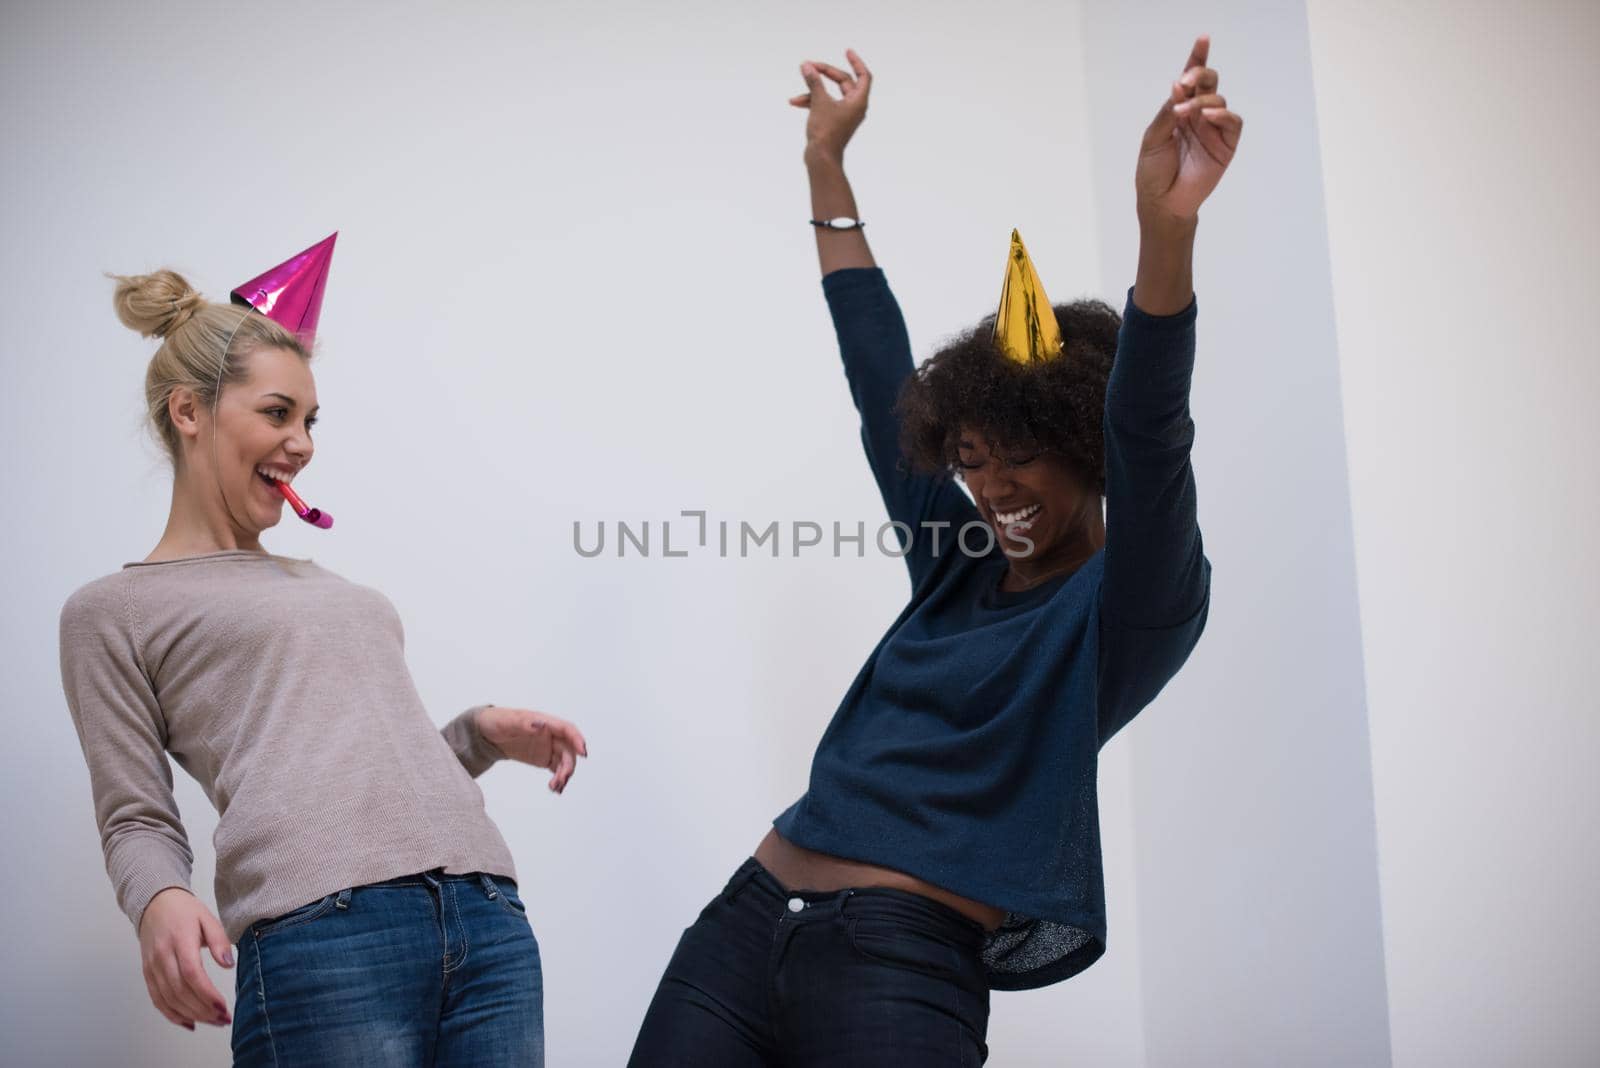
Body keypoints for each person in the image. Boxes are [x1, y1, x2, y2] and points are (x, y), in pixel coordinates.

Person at [629, 36, 1241, 1065]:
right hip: (740, 927)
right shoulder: (955, 560)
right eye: (971, 463)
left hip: (900, 957)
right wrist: (827, 164)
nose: (993, 491)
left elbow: (1151, 424)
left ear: (1085, 451)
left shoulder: (1131, 604)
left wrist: (1164, 228)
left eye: (1021, 462)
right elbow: (879, 369)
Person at [58, 239, 587, 1066]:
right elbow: (135, 813)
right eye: (277, 414)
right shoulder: (112, 611)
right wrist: (159, 897)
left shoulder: (326, 583)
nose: (302, 443)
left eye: (309, 421)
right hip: (328, 942)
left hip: (487, 917)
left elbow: (348, 768)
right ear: (189, 412)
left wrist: (478, 736)